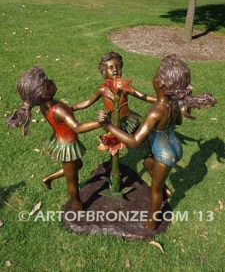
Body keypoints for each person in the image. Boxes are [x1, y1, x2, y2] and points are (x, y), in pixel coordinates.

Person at [98, 54, 216, 230]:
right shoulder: (174, 103)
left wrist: (108, 125)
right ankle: (166, 190)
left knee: (155, 189)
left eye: (156, 74)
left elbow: (133, 142)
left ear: (160, 83)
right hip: (173, 145)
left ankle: (152, 222)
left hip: (164, 153)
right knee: (147, 162)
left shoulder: (155, 112)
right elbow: (177, 123)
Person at [7, 67, 101, 210]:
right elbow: (77, 127)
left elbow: (69, 110)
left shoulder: (48, 105)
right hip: (67, 145)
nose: (52, 81)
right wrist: (100, 123)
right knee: (72, 180)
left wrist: (80, 105)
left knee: (78, 166)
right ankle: (77, 204)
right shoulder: (57, 110)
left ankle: (49, 178)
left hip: (62, 139)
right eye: (48, 83)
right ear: (44, 93)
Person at [72, 51, 156, 134]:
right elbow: (89, 101)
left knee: (134, 134)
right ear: (104, 70)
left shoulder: (125, 87)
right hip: (112, 120)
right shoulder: (103, 90)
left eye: (118, 66)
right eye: (111, 67)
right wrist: (73, 108)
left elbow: (143, 96)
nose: (115, 70)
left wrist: (161, 100)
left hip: (127, 119)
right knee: (113, 138)